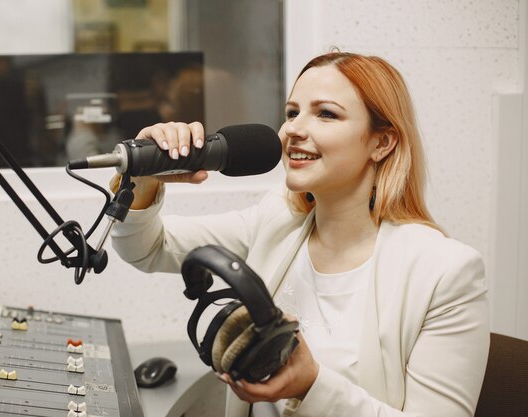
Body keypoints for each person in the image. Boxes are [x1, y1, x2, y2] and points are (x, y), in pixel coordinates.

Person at [109, 51, 489, 417]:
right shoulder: (276, 221)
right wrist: (142, 177)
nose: (293, 129)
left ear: (381, 142)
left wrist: (312, 386)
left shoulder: (445, 273)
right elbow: (148, 248)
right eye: (292, 113)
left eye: (325, 114)